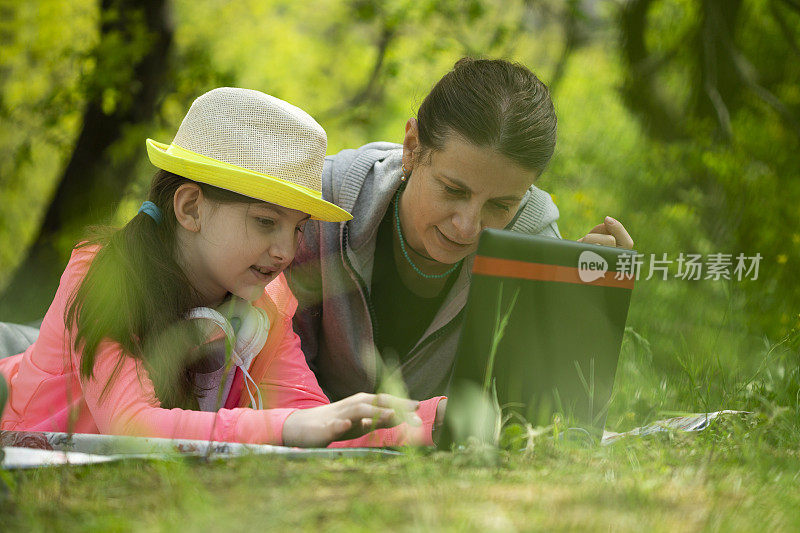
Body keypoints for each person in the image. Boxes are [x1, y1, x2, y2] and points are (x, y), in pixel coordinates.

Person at [0, 88, 443, 447]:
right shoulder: (104, 274)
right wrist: (285, 429)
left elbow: (316, 421)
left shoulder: (262, 311)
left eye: (298, 230)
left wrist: (431, 419)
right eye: (266, 222)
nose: (286, 251)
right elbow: (131, 424)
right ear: (190, 207)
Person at [288, 58, 634, 404]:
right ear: (411, 147)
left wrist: (586, 309)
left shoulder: (532, 240)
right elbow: (269, 369)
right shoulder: (322, 205)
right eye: (453, 190)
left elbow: (549, 413)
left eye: (500, 206)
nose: (467, 227)